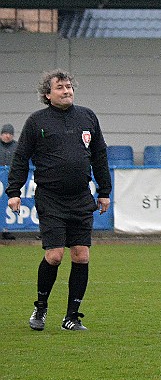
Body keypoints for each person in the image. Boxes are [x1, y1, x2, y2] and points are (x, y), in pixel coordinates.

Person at [6, 69, 111, 331]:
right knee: (54, 256)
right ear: (47, 94)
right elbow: (20, 158)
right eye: (61, 87)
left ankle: (72, 317)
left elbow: (99, 155)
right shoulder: (36, 121)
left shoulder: (87, 117)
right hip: (51, 198)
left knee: (81, 256)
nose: (67, 91)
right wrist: (14, 192)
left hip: (80, 198)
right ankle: (40, 309)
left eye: (69, 87)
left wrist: (104, 191)